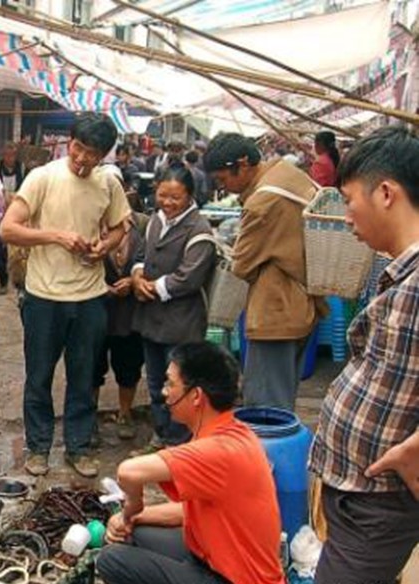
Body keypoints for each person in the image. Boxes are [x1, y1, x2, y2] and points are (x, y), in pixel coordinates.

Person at [308, 126, 419, 584]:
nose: (347, 217)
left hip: (381, 501)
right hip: (361, 492)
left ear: (386, 193)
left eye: (349, 199)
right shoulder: (399, 272)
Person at [0, 114, 130, 478]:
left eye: (92, 153)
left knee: (83, 375)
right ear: (68, 143)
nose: (82, 158)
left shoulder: (108, 184)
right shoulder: (43, 177)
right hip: (43, 295)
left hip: (90, 297)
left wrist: (103, 247)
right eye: (77, 148)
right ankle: (38, 447)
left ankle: (78, 446)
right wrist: (56, 236)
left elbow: (120, 227)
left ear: (104, 155)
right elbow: (8, 228)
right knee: (39, 374)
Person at [96, 342, 284, 584]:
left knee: (112, 559)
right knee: (132, 533)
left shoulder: (219, 451)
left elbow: (129, 471)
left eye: (170, 384)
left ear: (196, 396)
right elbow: (190, 511)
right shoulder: (228, 431)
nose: (164, 391)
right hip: (210, 559)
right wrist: (133, 518)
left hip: (234, 579)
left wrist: (132, 506)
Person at [203, 133, 319, 411]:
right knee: (283, 397)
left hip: (275, 312)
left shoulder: (262, 203)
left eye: (223, 179)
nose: (225, 187)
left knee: (266, 407)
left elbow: (242, 264)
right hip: (303, 302)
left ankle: (269, 456)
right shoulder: (286, 172)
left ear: (242, 164)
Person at [131, 163, 216, 451]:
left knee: (180, 387)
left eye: (175, 197)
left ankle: (178, 442)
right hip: (151, 319)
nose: (167, 202)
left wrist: (152, 287)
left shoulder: (199, 231)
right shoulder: (156, 220)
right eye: (162, 195)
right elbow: (141, 252)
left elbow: (189, 278)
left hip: (181, 324)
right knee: (156, 384)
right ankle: (161, 433)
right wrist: (137, 275)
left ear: (190, 196)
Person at [93, 191, 148, 442]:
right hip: (96, 307)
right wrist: (101, 285)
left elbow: (153, 259)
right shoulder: (89, 222)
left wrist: (135, 279)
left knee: (128, 364)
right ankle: (88, 417)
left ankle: (125, 413)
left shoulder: (144, 225)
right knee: (92, 366)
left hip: (131, 310)